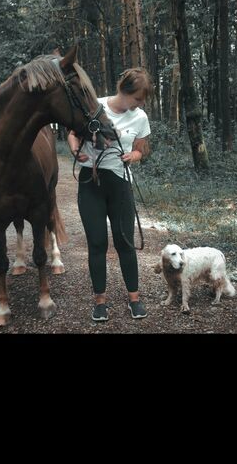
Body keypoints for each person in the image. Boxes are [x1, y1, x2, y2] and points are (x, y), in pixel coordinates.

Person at [67, 67, 153, 322]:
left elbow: (141, 149)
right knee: (96, 243)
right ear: (123, 92)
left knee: (125, 242)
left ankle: (134, 299)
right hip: (89, 181)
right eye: (138, 98)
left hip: (120, 184)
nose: (140, 104)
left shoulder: (140, 117)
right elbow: (72, 133)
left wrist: (133, 156)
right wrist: (75, 151)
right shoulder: (96, 106)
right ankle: (100, 302)